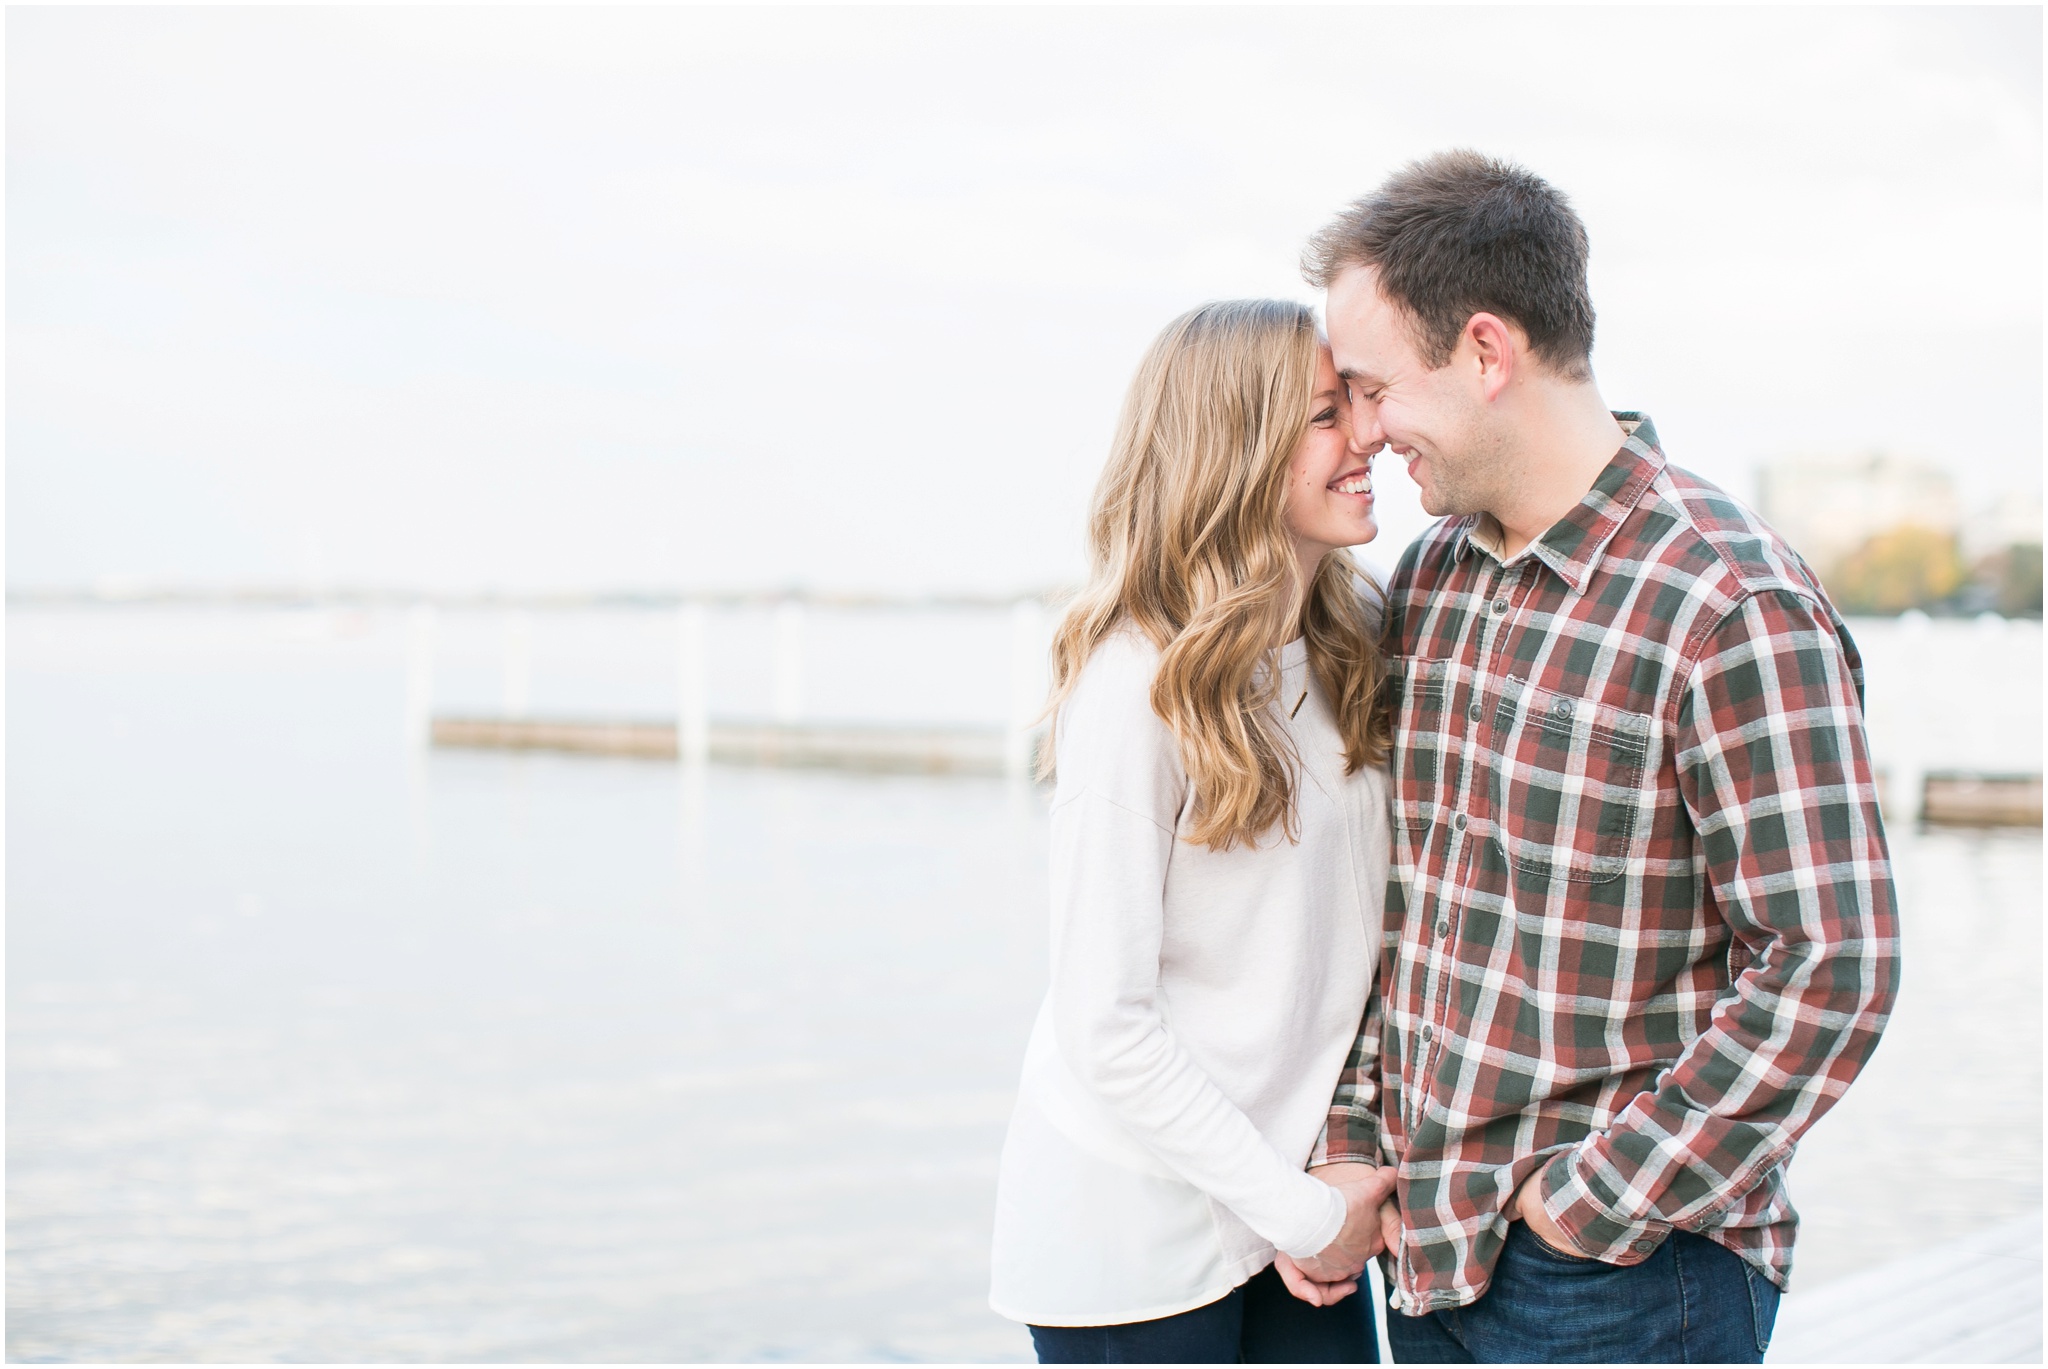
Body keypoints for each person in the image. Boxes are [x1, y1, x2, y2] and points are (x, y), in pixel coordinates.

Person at [1291, 151, 1903, 1363]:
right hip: (1426, 1251)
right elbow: (1406, 908)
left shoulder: (1725, 600)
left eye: (1370, 387)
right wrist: (1354, 1133)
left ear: (1482, 351)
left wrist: (1588, 1206)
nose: (1359, 430)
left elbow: (1830, 967)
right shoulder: (1432, 577)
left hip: (1619, 1279)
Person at [988, 299, 1399, 1363]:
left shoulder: (1358, 643)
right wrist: (1301, 1212)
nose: (1366, 436)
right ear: (1237, 449)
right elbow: (1105, 1022)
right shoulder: (1138, 685)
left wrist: (1323, 1183)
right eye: (1323, 415)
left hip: (1286, 1202)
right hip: (1133, 1228)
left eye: (1356, 403)